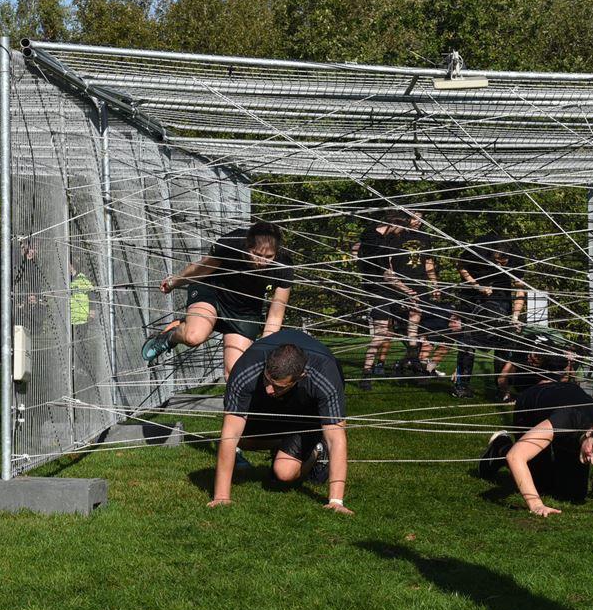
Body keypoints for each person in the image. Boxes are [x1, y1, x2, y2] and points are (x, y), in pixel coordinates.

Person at [478, 342, 593, 514]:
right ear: (590, 432)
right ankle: (500, 446)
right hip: (532, 406)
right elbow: (516, 457)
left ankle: (552, 466)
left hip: (567, 407)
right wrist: (536, 504)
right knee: (537, 482)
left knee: (573, 494)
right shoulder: (567, 419)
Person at [209, 328, 351, 514]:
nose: (269, 389)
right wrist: (221, 497)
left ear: (300, 377)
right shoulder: (246, 367)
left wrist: (336, 501)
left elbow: (336, 438)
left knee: (284, 472)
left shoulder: (324, 373)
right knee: (239, 440)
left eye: (277, 386)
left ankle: (317, 449)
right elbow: (230, 434)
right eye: (267, 380)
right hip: (269, 408)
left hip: (307, 415)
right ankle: (283, 445)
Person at [143, 221, 293, 379]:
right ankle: (169, 337)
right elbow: (202, 269)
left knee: (235, 375)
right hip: (213, 292)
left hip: (244, 311)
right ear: (247, 245)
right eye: (257, 254)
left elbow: (276, 314)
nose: (262, 262)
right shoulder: (232, 243)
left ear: (277, 252)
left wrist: (265, 348)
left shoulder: (283, 267)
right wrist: (175, 281)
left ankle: (187, 324)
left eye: (269, 257)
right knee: (193, 337)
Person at [451, 234, 526, 398]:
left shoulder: (517, 259)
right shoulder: (477, 250)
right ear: (490, 253)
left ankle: (501, 388)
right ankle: (462, 386)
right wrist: (476, 286)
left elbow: (520, 289)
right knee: (467, 340)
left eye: (504, 263)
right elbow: (460, 265)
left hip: (500, 297)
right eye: (497, 261)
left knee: (503, 341)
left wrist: (515, 316)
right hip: (472, 296)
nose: (500, 265)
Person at [355, 211, 415, 389]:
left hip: (385, 290)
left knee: (409, 319)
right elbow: (387, 274)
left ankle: (413, 360)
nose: (402, 232)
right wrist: (408, 291)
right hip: (379, 291)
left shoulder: (371, 233)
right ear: (395, 224)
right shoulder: (378, 244)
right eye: (402, 228)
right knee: (381, 333)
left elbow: (356, 248)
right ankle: (366, 374)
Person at [393, 211, 440, 373]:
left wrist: (434, 284)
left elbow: (428, 261)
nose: (418, 221)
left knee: (419, 322)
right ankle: (411, 360)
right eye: (415, 218)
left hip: (420, 283)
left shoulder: (425, 237)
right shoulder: (396, 235)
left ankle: (411, 360)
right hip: (400, 283)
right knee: (404, 324)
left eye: (421, 218)